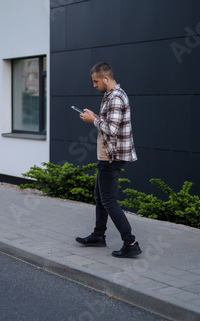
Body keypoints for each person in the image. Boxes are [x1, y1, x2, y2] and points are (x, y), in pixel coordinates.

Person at [75, 62, 142, 258]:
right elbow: (111, 124)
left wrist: (92, 120)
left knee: (109, 200)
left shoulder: (116, 98)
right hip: (107, 155)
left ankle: (130, 243)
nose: (94, 85)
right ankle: (98, 235)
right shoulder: (111, 96)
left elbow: (111, 130)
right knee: (100, 197)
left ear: (106, 79)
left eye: (96, 81)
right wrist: (96, 116)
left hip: (111, 157)